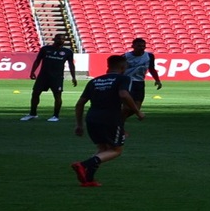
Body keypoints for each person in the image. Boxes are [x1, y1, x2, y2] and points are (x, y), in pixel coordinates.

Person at [71, 54, 143, 187]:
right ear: (123, 67)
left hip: (92, 118)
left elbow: (80, 104)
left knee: (103, 148)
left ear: (108, 66)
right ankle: (83, 165)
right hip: (110, 118)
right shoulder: (123, 79)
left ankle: (88, 179)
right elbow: (123, 94)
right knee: (116, 150)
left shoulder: (94, 81)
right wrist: (138, 112)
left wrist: (79, 124)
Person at [22, 33, 77, 122]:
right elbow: (37, 61)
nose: (61, 40)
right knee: (35, 93)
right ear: (54, 39)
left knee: (57, 96)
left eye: (63, 39)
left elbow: (71, 65)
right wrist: (32, 72)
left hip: (57, 77)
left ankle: (55, 116)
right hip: (43, 76)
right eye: (59, 38)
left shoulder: (67, 52)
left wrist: (73, 77)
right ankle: (33, 113)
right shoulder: (45, 49)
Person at [123, 37, 163, 106]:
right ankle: (118, 116)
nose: (141, 48)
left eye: (143, 46)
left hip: (140, 82)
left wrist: (157, 80)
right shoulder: (125, 57)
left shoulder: (149, 56)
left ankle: (119, 117)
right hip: (128, 82)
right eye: (139, 46)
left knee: (137, 106)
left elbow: (152, 69)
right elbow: (119, 69)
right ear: (133, 46)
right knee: (128, 106)